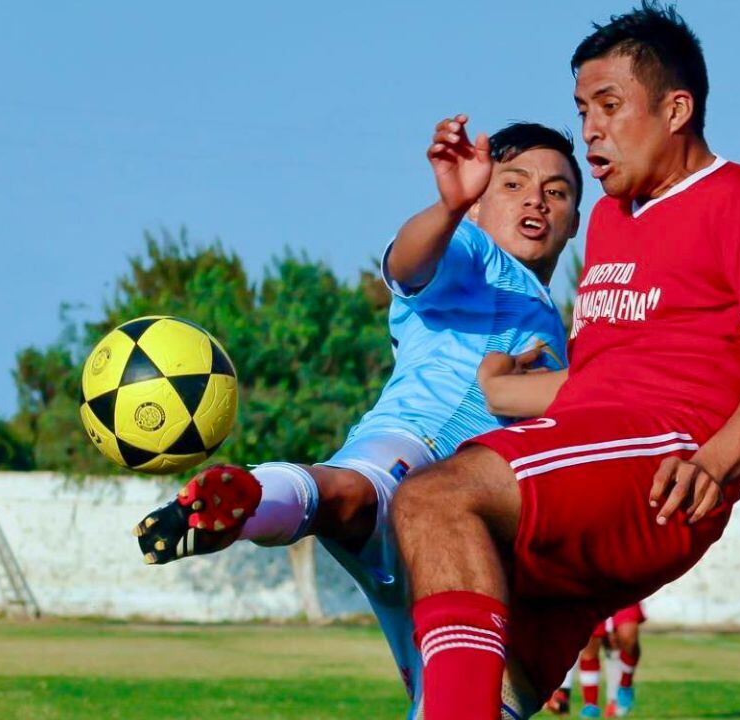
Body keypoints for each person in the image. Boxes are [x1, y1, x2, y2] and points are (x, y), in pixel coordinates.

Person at [392, 4, 740, 718]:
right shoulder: (610, 220)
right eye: (582, 109)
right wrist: (501, 392)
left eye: (610, 104)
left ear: (676, 110)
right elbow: (600, 382)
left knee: (436, 498)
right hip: (596, 458)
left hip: (661, 462)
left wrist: (718, 460)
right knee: (491, 684)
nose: (591, 127)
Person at [131, 117, 583, 719]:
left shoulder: (559, 328)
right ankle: (247, 498)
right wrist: (448, 208)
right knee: (355, 492)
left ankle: (259, 501)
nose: (536, 200)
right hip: (418, 447)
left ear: (574, 221)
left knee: (468, 700)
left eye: (556, 191)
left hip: (464, 531)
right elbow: (407, 265)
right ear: (478, 203)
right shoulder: (472, 253)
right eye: (514, 183)